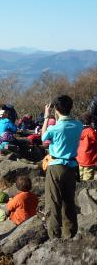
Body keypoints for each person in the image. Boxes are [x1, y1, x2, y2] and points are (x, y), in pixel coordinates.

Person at [41, 95, 83, 239]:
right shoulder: (78, 125)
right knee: (69, 203)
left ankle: (54, 238)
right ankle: (70, 235)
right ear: (70, 108)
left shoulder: (55, 128)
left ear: (56, 110)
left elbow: (43, 138)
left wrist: (46, 117)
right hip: (71, 166)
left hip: (56, 166)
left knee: (53, 203)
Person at [76, 112, 97, 181]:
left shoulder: (79, 131)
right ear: (91, 121)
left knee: (80, 178)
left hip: (79, 159)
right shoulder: (90, 132)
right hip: (89, 159)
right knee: (87, 180)